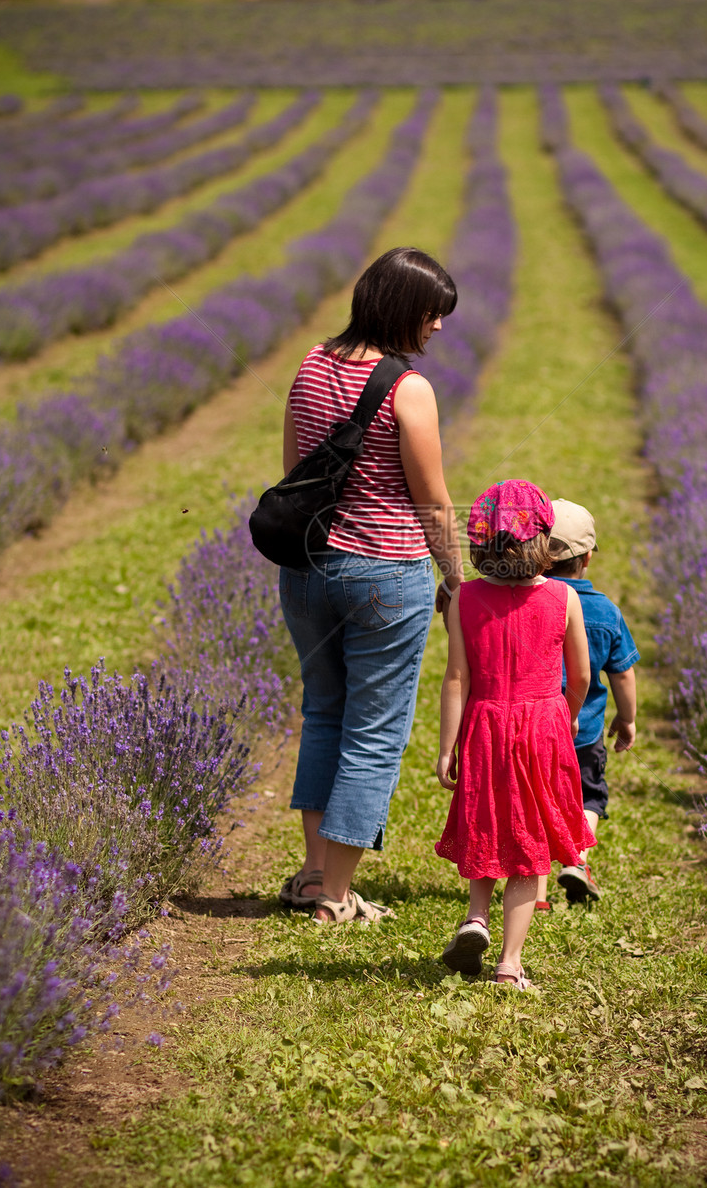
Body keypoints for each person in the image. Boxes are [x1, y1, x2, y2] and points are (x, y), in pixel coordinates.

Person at [278, 247, 464, 924]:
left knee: (324, 711)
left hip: (306, 569)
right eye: (432, 314)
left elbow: (296, 473)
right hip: (384, 576)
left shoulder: (310, 362)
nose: (438, 327)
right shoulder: (408, 389)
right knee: (375, 731)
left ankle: (312, 874)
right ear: (400, 309)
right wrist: (457, 580)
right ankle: (336, 895)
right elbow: (433, 502)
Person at [434, 480, 594, 988]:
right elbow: (583, 674)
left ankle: (476, 917)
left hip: (484, 723)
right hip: (541, 725)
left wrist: (445, 748)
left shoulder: (464, 599)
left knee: (486, 823)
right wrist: (565, 713)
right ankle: (509, 964)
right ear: (542, 539)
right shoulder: (564, 597)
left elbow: (456, 676)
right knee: (528, 847)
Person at [540, 499, 639, 905]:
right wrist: (627, 718)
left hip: (537, 729)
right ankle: (577, 859)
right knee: (589, 797)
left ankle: (538, 893)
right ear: (587, 559)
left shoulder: (533, 603)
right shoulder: (605, 611)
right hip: (585, 732)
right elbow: (622, 673)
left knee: (538, 803)